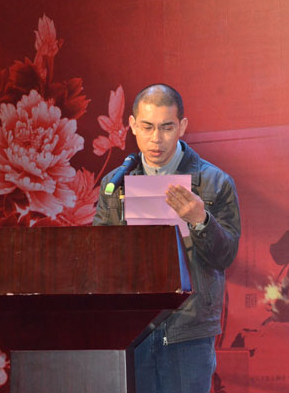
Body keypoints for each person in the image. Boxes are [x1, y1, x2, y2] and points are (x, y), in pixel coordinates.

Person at [93, 84, 241, 392]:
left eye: (167, 127)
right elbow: (100, 256)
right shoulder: (115, 184)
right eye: (147, 127)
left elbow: (226, 255)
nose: (156, 139)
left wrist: (200, 220)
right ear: (132, 125)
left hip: (188, 332)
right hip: (133, 331)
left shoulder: (214, 182)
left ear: (182, 126)